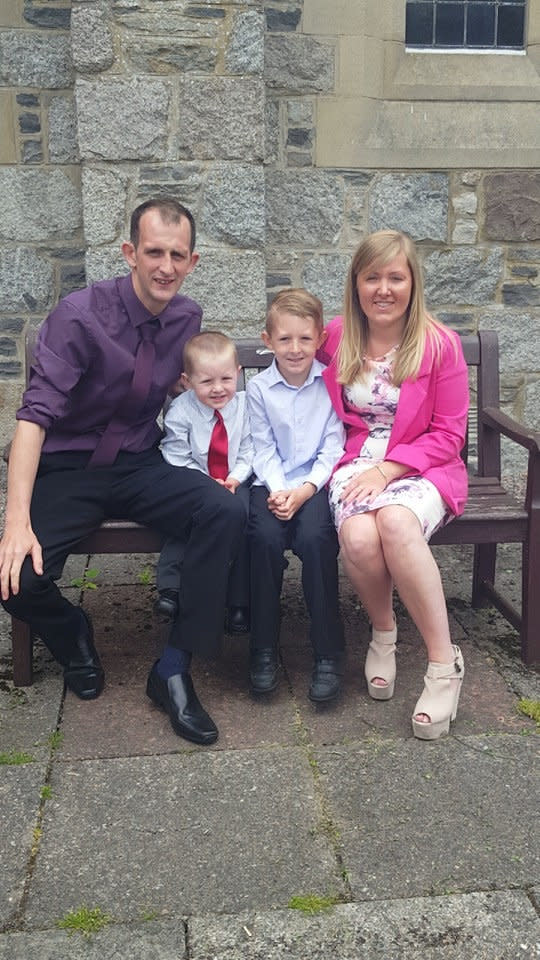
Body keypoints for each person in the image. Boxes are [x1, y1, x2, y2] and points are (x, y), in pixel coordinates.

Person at [0, 197, 246, 746]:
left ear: (192, 261)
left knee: (225, 509)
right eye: (154, 252)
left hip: (139, 461)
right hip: (71, 467)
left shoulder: (186, 316)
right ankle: (72, 633)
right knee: (18, 581)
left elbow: (172, 380)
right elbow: (33, 419)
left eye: (177, 255)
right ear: (130, 253)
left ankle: (174, 668)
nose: (165, 266)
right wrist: (15, 520)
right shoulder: (79, 317)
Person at [319, 229, 469, 740]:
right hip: (352, 462)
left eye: (395, 277)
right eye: (372, 277)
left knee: (396, 525)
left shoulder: (439, 345)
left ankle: (443, 665)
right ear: (356, 284)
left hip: (422, 466)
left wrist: (391, 467)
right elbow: (289, 367)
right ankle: (383, 632)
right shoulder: (337, 336)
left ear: (413, 283)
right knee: (359, 537)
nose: (384, 289)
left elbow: (449, 435)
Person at [246, 289, 346, 702]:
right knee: (264, 540)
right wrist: (280, 489)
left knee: (317, 540)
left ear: (320, 338)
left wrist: (304, 491)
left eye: (305, 339)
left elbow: (333, 446)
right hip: (270, 484)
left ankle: (327, 651)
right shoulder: (258, 389)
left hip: (314, 485)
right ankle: (263, 648)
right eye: (285, 339)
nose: (295, 348)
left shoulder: (330, 383)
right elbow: (260, 447)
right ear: (268, 340)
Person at [156, 331, 252, 633]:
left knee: (243, 519)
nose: (218, 389)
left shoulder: (245, 408)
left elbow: (250, 450)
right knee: (187, 519)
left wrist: (234, 479)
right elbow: (175, 455)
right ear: (187, 381)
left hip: (236, 481)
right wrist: (205, 484)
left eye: (225, 379)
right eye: (206, 382)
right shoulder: (181, 411)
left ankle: (238, 602)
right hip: (194, 481)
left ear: (237, 374)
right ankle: (171, 586)